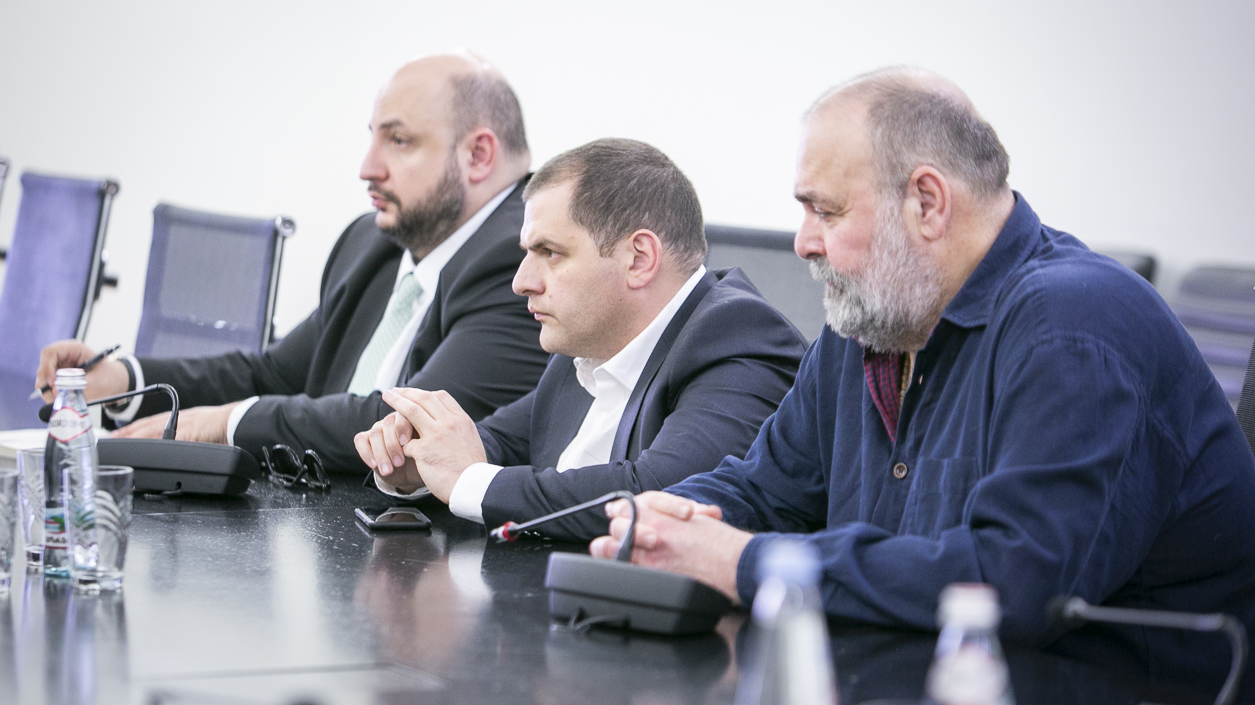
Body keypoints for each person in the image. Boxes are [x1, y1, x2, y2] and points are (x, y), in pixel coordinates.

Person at [590, 68, 1255, 696]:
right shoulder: (870, 322)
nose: (803, 242)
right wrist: (664, 520)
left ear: (927, 203)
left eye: (825, 212)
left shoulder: (1073, 326)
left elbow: (1009, 585)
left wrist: (740, 562)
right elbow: (765, 489)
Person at [36, 53, 551, 471]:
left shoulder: (526, 260)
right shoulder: (372, 242)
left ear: (478, 155)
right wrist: (124, 380)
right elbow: (273, 374)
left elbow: (404, 423)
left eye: (398, 140)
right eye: (372, 136)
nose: (367, 168)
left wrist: (225, 423)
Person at [355, 138, 807, 539]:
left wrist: (468, 481)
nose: (521, 282)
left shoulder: (739, 340)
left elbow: (660, 494)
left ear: (639, 259)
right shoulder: (588, 340)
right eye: (527, 253)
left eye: (550, 252)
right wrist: (419, 458)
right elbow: (500, 442)